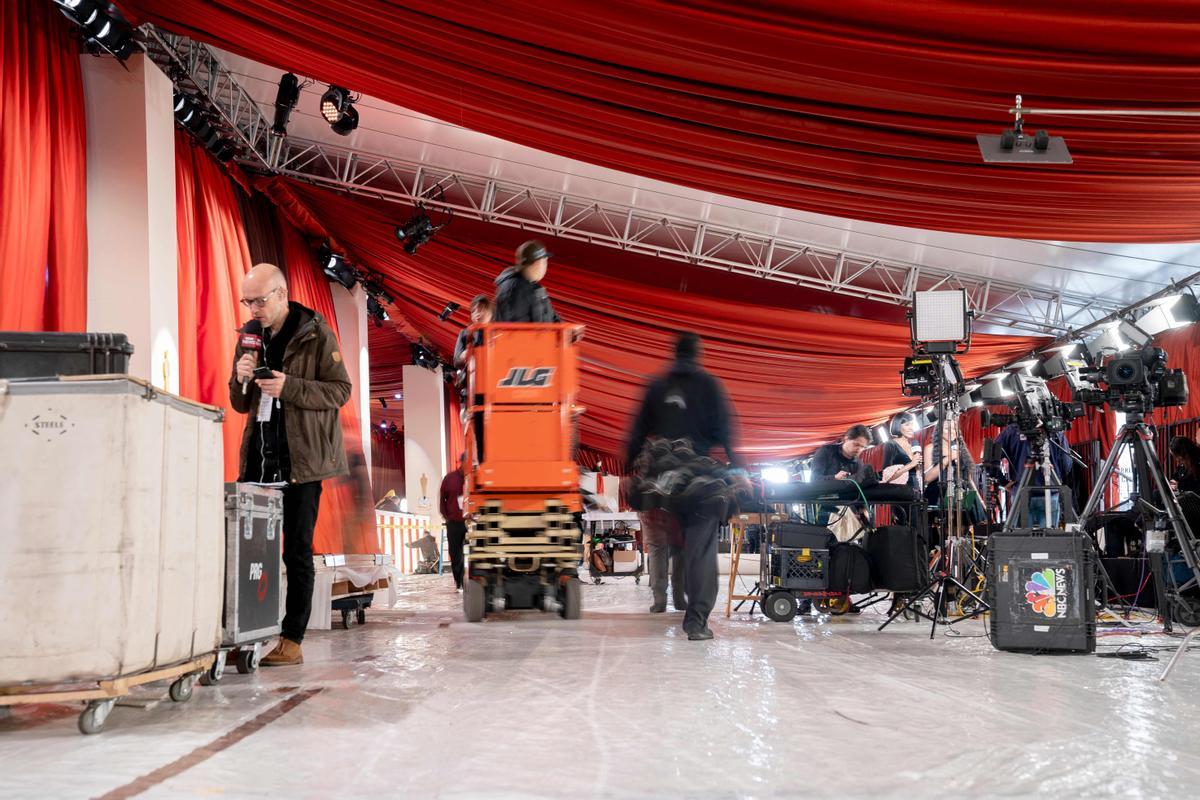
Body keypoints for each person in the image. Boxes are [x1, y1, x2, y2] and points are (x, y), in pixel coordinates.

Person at [229, 263, 351, 667]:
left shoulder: (315, 332)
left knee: (296, 553)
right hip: (259, 463)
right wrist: (241, 377)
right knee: (248, 554)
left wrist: (290, 387)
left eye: (259, 301)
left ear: (281, 294)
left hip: (302, 465)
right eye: (247, 301)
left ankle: (291, 638)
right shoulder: (249, 337)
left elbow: (340, 390)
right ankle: (244, 636)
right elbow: (240, 403)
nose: (253, 309)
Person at [625, 332, 741, 641]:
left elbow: (635, 434)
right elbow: (729, 434)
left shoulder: (656, 385)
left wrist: (628, 470)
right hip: (700, 482)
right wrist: (739, 469)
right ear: (698, 353)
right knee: (699, 547)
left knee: (664, 546)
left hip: (661, 481)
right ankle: (696, 621)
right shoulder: (710, 386)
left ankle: (663, 599)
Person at [994, 422, 1073, 527]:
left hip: (1021, 493)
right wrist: (1056, 478)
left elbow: (992, 458)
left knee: (1021, 540)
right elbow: (1066, 463)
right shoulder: (1055, 429)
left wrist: (1004, 483)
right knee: (1049, 539)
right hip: (1050, 492)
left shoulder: (1012, 430)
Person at [494, 240, 561, 323]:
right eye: (544, 262)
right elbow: (515, 331)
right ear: (536, 263)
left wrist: (567, 332)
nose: (545, 266)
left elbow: (553, 318)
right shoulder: (516, 289)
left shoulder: (534, 287)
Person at [641, 509, 686, 613]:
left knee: (658, 551)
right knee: (680, 552)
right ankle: (679, 599)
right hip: (677, 510)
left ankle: (660, 601)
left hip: (652, 510)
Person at [440, 454, 468, 590]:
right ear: (461, 462)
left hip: (473, 521)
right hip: (455, 522)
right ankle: (459, 582)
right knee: (455, 552)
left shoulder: (477, 476)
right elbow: (442, 498)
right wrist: (447, 516)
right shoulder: (450, 478)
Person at [881, 413, 922, 491]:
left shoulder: (913, 446)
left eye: (912, 425)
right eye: (907, 425)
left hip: (916, 490)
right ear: (898, 426)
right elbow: (886, 476)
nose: (911, 428)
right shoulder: (890, 444)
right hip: (900, 492)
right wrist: (911, 464)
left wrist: (918, 467)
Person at [453, 295, 493, 366]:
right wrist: (463, 355)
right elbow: (456, 362)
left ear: (489, 313)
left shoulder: (498, 331)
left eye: (481, 310)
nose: (477, 314)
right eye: (473, 311)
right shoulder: (464, 333)